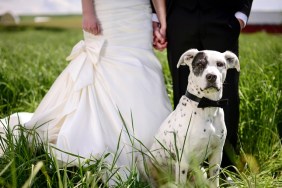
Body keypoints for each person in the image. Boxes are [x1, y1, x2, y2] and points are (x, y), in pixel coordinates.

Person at [0, 0, 171, 176]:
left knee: (142, 72)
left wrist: (159, 17)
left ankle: (152, 148)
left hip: (138, 13)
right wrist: (87, 11)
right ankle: (106, 143)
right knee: (108, 72)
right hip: (108, 11)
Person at [152, 0, 253, 172]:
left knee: (226, 94)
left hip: (222, 16)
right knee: (183, 91)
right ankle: (188, 171)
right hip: (179, 17)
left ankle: (226, 169)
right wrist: (157, 16)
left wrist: (242, 14)